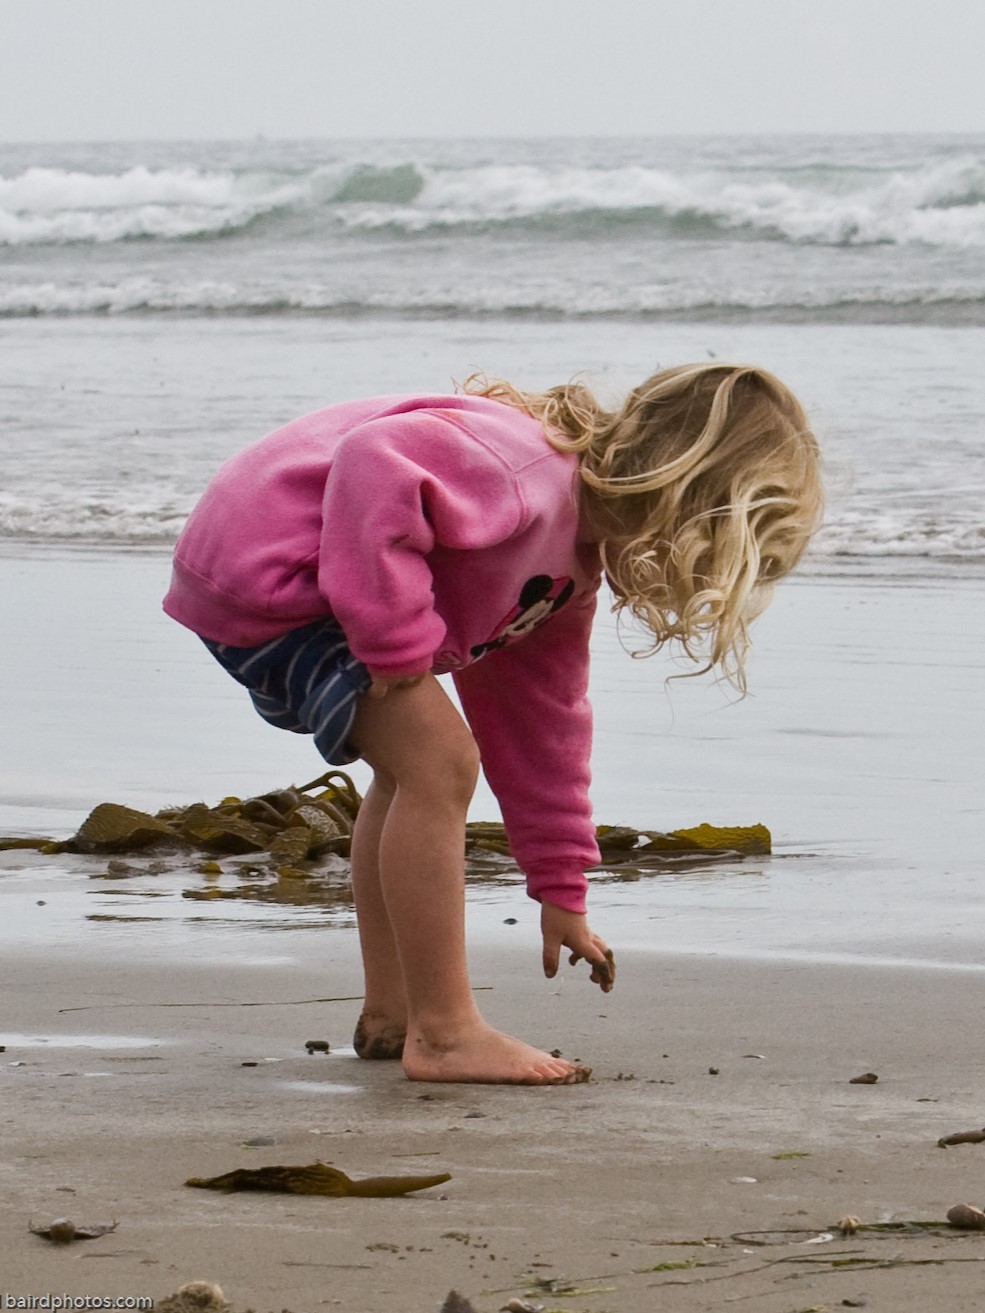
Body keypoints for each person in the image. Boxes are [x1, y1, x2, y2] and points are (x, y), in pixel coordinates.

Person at [163, 363, 822, 1086]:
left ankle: (394, 1015)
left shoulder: (566, 573)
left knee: (411, 768)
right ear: (692, 496)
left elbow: (541, 727)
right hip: (276, 567)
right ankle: (444, 1034)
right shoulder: (525, 469)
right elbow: (375, 460)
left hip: (286, 577)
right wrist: (393, 644)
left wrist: (559, 882)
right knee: (439, 763)